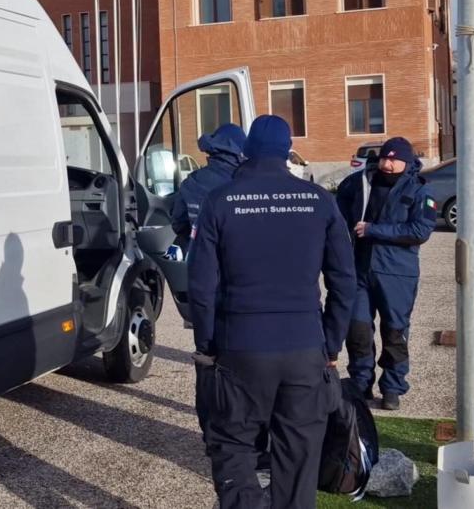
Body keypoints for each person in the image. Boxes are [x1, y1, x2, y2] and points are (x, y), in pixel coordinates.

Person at [188, 115, 356, 509]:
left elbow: (201, 286)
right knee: (298, 459)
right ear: (286, 151)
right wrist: (330, 344)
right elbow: (344, 282)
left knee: (233, 447)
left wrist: (207, 343)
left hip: (240, 348)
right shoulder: (320, 201)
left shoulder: (220, 200)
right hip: (304, 348)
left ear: (247, 150)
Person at [335, 136, 436, 411]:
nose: (388, 164)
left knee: (394, 332)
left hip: (397, 274)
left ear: (407, 162)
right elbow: (337, 210)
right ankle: (360, 383)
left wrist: (373, 230)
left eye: (395, 160)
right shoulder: (360, 183)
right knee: (357, 331)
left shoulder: (419, 191)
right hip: (359, 271)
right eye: (385, 158)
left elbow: (420, 231)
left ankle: (392, 387)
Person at [170, 123, 248, 256]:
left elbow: (179, 224)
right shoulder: (246, 182)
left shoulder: (191, 182)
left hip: (200, 258)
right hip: (238, 261)